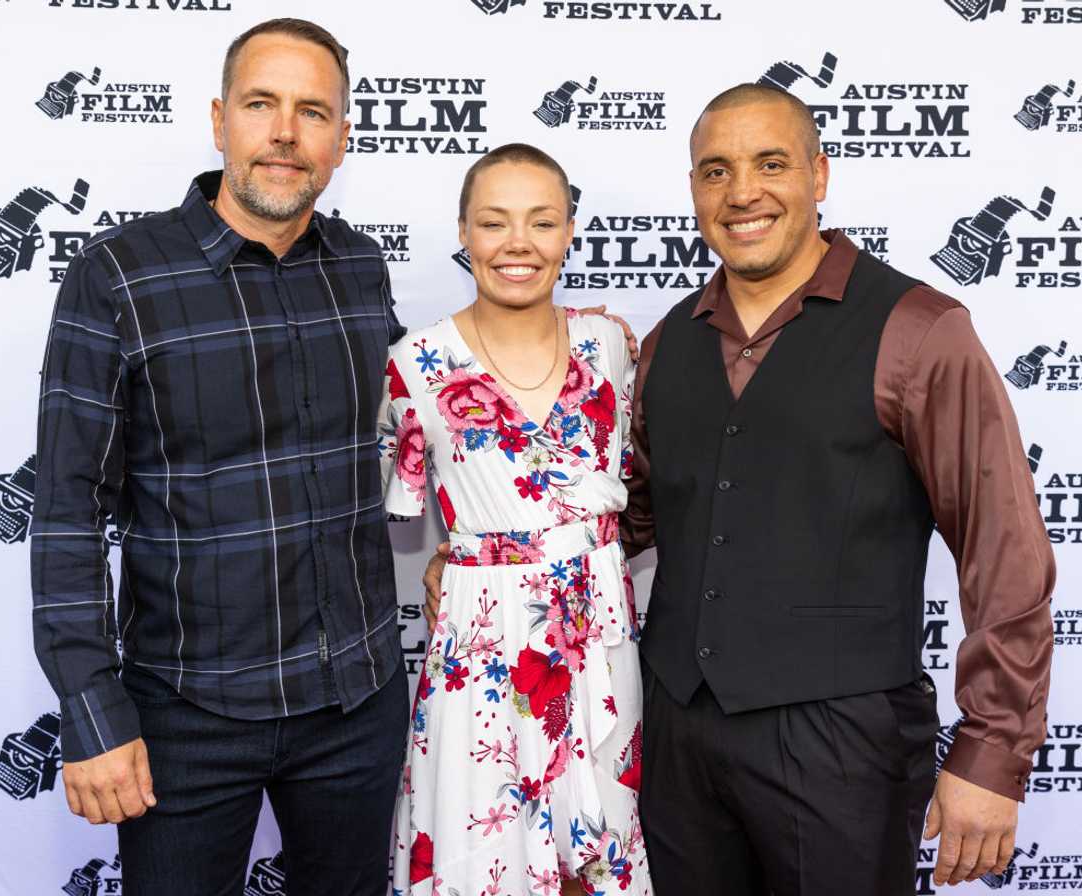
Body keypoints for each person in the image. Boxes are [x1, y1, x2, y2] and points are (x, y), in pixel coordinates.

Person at [620, 84, 1054, 893]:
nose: (742, 192)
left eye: (771, 163)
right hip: (677, 730)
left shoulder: (919, 331)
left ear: (820, 175)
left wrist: (994, 752)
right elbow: (628, 518)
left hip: (843, 743)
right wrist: (493, 559)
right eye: (716, 171)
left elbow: (1004, 550)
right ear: (693, 191)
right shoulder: (661, 346)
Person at [31, 19, 409, 895]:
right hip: (185, 719)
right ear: (218, 120)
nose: (285, 132)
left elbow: (432, 424)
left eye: (313, 111)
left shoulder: (361, 269)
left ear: (343, 138)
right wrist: (91, 710)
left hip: (357, 701)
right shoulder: (119, 275)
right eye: (261, 104)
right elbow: (65, 508)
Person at [384, 144, 651, 895]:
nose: (518, 243)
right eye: (494, 222)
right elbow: (410, 510)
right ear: (463, 233)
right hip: (482, 640)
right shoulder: (415, 364)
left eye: (541, 221)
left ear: (570, 232)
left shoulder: (612, 346)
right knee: (483, 842)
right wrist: (457, 560)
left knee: (603, 842)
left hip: (599, 630)